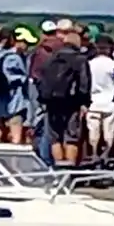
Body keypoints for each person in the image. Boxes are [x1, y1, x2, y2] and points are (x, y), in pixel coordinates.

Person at [36, 25, 91, 167]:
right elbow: (84, 83)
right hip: (72, 103)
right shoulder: (80, 59)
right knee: (71, 138)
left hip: (51, 102)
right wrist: (84, 103)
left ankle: (58, 168)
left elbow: (42, 79)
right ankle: (70, 169)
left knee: (55, 138)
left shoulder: (51, 58)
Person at [85, 34, 114, 164]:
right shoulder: (113, 65)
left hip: (93, 102)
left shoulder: (89, 64)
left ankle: (94, 154)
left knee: (93, 132)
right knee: (109, 132)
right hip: (110, 102)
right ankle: (106, 155)